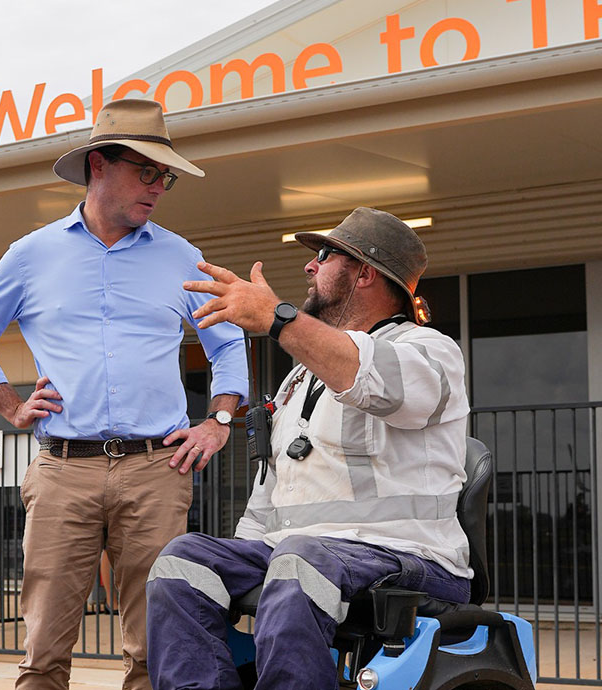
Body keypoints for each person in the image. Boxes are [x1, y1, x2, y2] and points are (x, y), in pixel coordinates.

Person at [0, 98, 249, 690]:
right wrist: (10, 405)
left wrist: (219, 419)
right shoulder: (32, 254)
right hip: (62, 470)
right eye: (147, 171)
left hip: (157, 469)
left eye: (165, 176)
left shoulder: (181, 256)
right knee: (43, 653)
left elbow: (228, 343)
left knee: (156, 648)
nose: (160, 187)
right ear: (98, 167)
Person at [145, 207, 472, 689]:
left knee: (300, 559)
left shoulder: (427, 350)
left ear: (364, 273)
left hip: (408, 553)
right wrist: (241, 550)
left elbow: (371, 378)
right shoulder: (301, 375)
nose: (309, 266)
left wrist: (278, 319)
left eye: (324, 255)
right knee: (182, 559)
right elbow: (275, 481)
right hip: (302, 552)